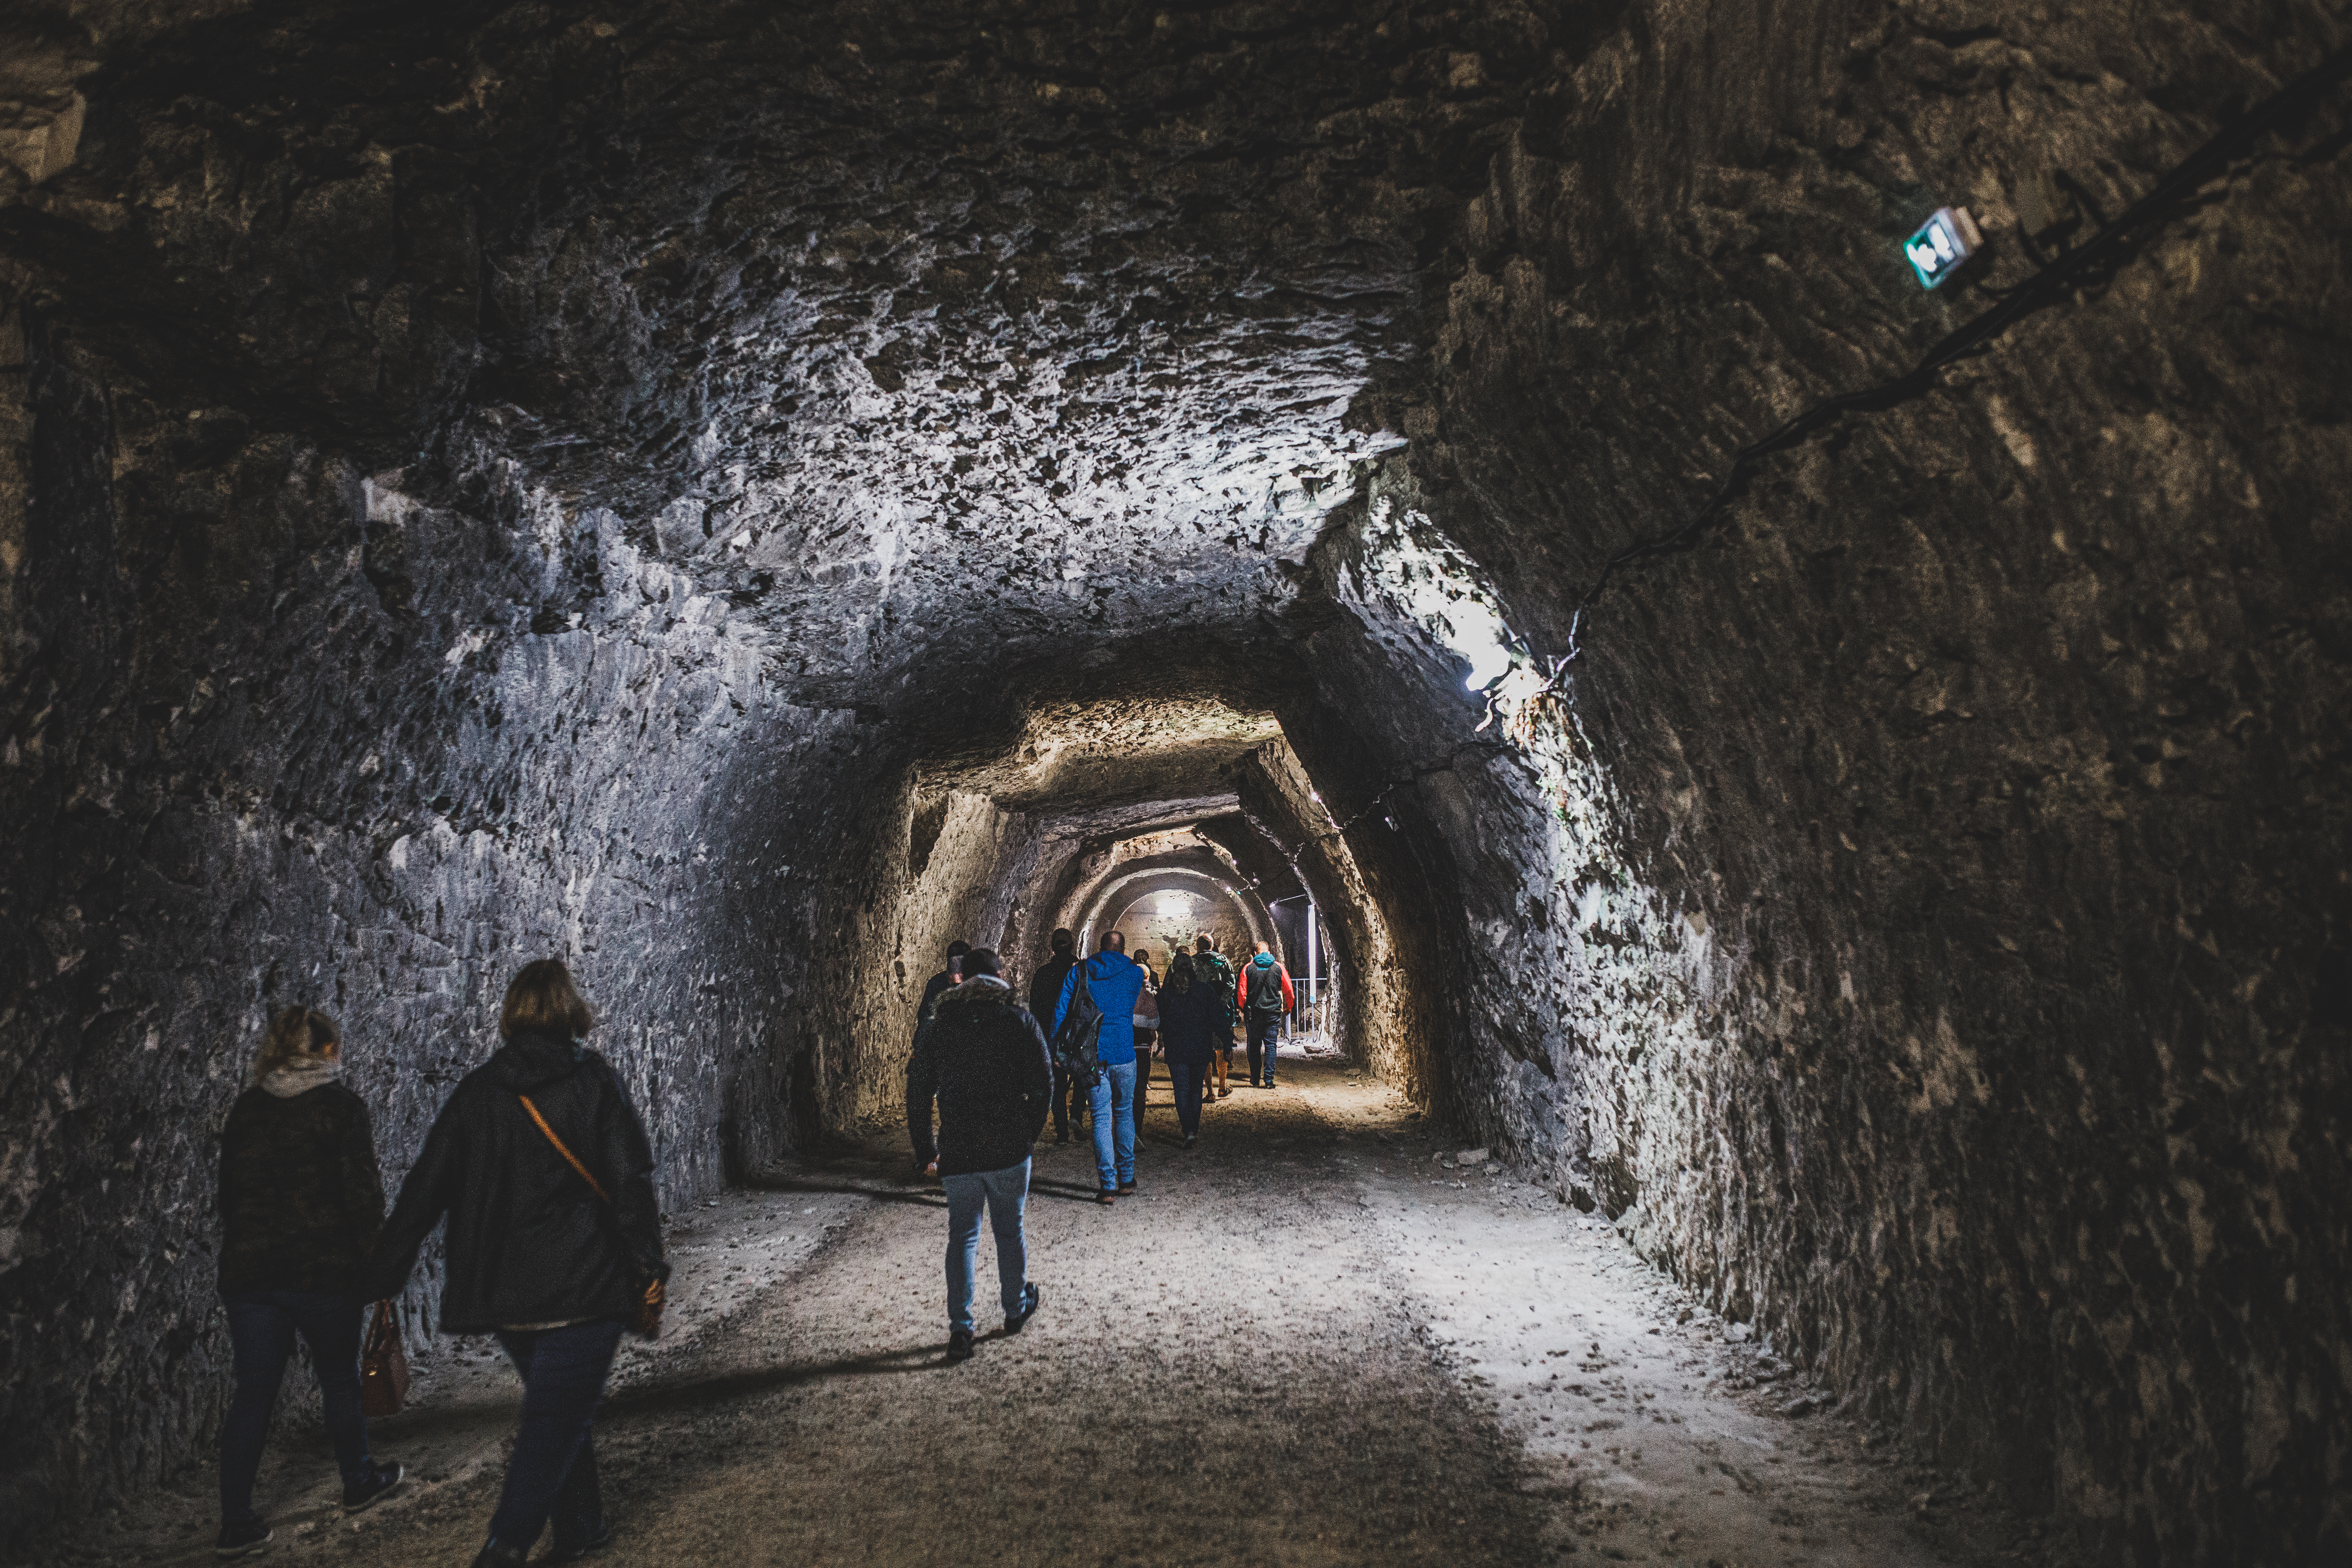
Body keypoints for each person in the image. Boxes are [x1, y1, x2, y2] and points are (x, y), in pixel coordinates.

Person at [369, 960, 668, 1568]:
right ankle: (505, 1546)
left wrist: (385, 1274)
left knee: (559, 1402)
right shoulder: (595, 1083)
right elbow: (629, 1183)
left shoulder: (478, 1093)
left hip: (509, 1294)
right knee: (555, 1413)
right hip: (584, 1286)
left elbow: (425, 1187)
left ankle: (582, 1523)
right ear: (570, 1012)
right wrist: (647, 1267)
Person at [213, 1007, 403, 1558]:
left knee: (253, 1392)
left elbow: (229, 1197)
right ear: (325, 1050)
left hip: (252, 1275)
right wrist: (381, 1270)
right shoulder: (341, 1109)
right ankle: (358, 1480)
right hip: (323, 1271)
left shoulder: (247, 1111)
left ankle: (235, 1520)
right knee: (340, 1379)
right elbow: (362, 1199)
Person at [906, 948, 1051, 1361]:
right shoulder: (1018, 1019)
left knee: (963, 1236)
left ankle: (961, 1329)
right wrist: (1029, 1133)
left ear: (961, 979)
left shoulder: (940, 1026)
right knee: (1009, 1231)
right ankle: (1014, 1308)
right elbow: (1043, 1082)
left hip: (960, 1147)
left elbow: (918, 1091)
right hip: (1008, 1147)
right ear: (1000, 976)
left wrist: (925, 1148)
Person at [1054, 930, 1149, 1202]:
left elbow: (1062, 1010)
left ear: (1100, 946)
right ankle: (1127, 1178)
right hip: (1124, 1054)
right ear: (1122, 949)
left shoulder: (1081, 971)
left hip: (1092, 1057)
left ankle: (1107, 1185)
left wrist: (1056, 1048)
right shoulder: (1134, 974)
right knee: (1124, 1113)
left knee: (1100, 1117)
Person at [909, 939, 973, 1176]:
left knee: (952, 1106)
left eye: (960, 973)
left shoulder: (975, 987)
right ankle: (927, 1156)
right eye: (952, 973)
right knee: (919, 1104)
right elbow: (925, 1018)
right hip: (931, 1050)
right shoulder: (937, 983)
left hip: (954, 1056)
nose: (956, 979)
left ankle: (953, 1157)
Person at [1155, 954, 1222, 1149]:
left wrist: (1165, 1032)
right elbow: (1218, 1018)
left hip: (1177, 1049)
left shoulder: (1166, 994)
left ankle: (1189, 1130)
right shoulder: (1204, 991)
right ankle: (1194, 1127)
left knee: (1181, 1090)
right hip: (1200, 1047)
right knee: (1195, 1089)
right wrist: (1226, 1043)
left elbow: (1158, 1021)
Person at [1028, 928, 1086, 1143]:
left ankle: (1062, 1131)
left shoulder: (1043, 974)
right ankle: (1077, 1116)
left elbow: (1035, 1010)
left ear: (1052, 948)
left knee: (1058, 1086)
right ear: (1073, 946)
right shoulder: (1083, 971)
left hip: (1052, 1038)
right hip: (1078, 1037)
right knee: (1081, 1078)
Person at [1238, 941, 1295, 1088]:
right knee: (1271, 1046)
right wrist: (1288, 1007)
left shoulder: (1248, 968)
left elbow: (1242, 992)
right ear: (1269, 952)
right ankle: (1269, 1081)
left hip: (1254, 1014)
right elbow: (1288, 990)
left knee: (1254, 1047)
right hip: (1273, 1013)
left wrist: (1243, 1009)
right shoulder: (1279, 968)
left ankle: (1255, 1079)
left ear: (1256, 954)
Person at [1194, 934, 1239, 1100]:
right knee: (1221, 1050)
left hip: (1200, 1014)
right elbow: (1231, 985)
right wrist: (1220, 1004)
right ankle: (1222, 1087)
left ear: (1197, 946)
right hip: (1221, 1013)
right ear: (1212, 946)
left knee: (1204, 1051)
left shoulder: (1192, 963)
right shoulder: (1223, 961)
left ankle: (1210, 1093)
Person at [1130, 946, 1160, 1112]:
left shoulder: (1126, 990)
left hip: (1129, 1038)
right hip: (1143, 1039)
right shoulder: (1151, 985)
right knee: (1143, 1065)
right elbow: (1155, 1022)